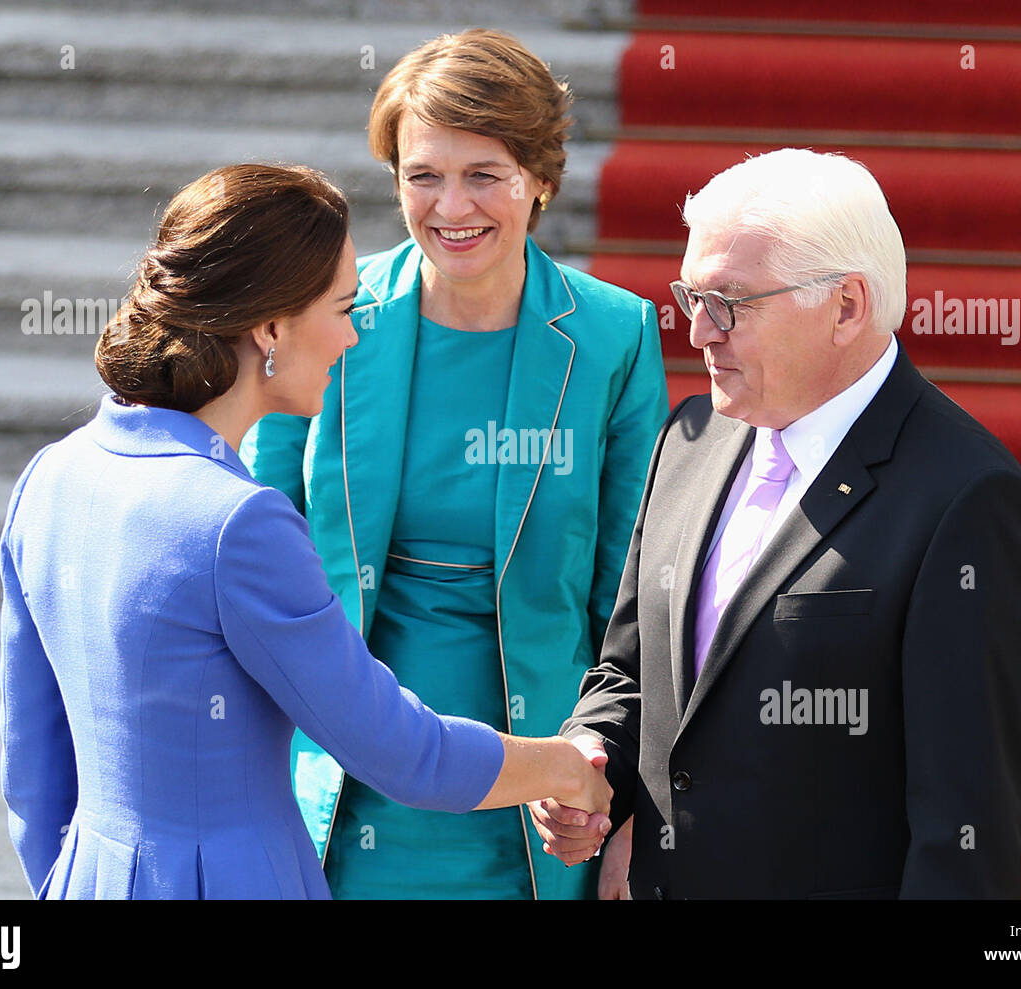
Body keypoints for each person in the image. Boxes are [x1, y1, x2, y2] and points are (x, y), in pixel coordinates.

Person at [0, 163, 611, 900]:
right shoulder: (239, 523)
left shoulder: (51, 475)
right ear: (270, 328)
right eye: (344, 307)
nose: (353, 336)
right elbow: (400, 749)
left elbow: (31, 779)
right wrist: (569, 766)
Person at [531, 148, 1021, 899]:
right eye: (690, 298)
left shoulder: (970, 501)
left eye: (730, 303)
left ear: (846, 306)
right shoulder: (689, 439)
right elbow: (633, 672)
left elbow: (964, 834)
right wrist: (589, 757)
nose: (698, 333)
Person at [240, 29, 668, 900]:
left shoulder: (614, 334)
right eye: (422, 175)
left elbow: (634, 603)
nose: (450, 206)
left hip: (543, 793)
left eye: (485, 174)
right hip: (341, 777)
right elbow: (255, 540)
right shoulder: (327, 317)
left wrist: (629, 807)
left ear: (540, 180)